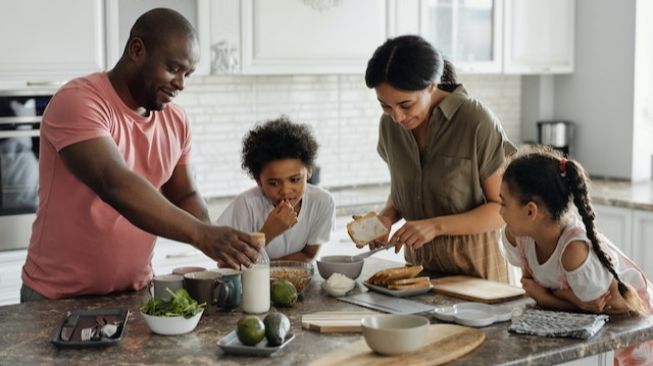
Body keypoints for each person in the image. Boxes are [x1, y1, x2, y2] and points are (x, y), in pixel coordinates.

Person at [20, 8, 261, 302]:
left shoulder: (176, 120)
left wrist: (216, 241)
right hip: (56, 298)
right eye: (173, 68)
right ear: (137, 50)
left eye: (188, 74)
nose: (181, 83)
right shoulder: (79, 101)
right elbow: (114, 182)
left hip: (135, 293)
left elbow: (185, 193)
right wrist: (201, 234)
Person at [361, 35, 516, 282]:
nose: (397, 117)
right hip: (419, 276)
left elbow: (504, 209)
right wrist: (387, 218)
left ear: (432, 85)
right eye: (385, 106)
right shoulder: (389, 126)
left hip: (479, 277)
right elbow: (407, 189)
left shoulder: (475, 121)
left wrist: (435, 226)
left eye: (406, 105)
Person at [499, 147, 652, 365]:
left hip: (632, 331)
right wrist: (567, 296)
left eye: (503, 203)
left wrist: (546, 297)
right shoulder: (521, 235)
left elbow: (599, 312)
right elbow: (582, 306)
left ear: (531, 211)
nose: (499, 211)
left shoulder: (574, 251)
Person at [216, 117, 335, 261]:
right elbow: (226, 264)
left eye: (294, 179)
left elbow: (308, 255)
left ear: (309, 171)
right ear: (258, 181)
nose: (285, 190)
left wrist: (270, 270)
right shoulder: (246, 205)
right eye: (273, 183)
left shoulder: (322, 202)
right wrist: (268, 233)